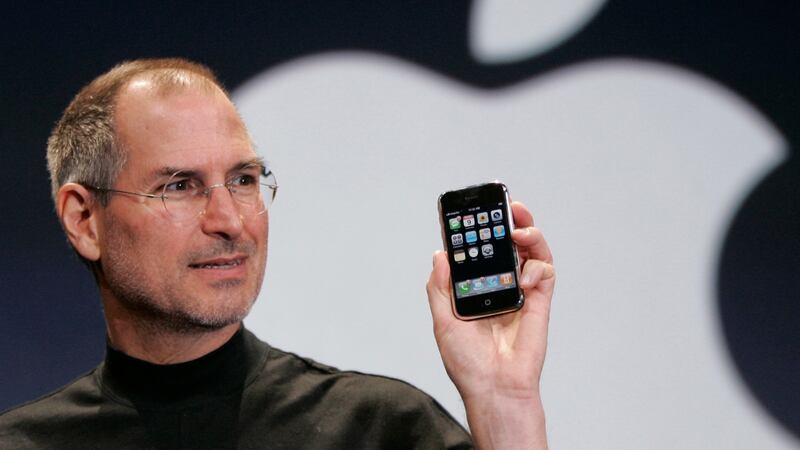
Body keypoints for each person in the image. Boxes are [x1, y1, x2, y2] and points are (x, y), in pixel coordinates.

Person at [0, 58, 555, 449]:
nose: (231, 221)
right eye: (179, 186)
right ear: (83, 220)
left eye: (243, 179)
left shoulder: (380, 430)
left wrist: (504, 401)